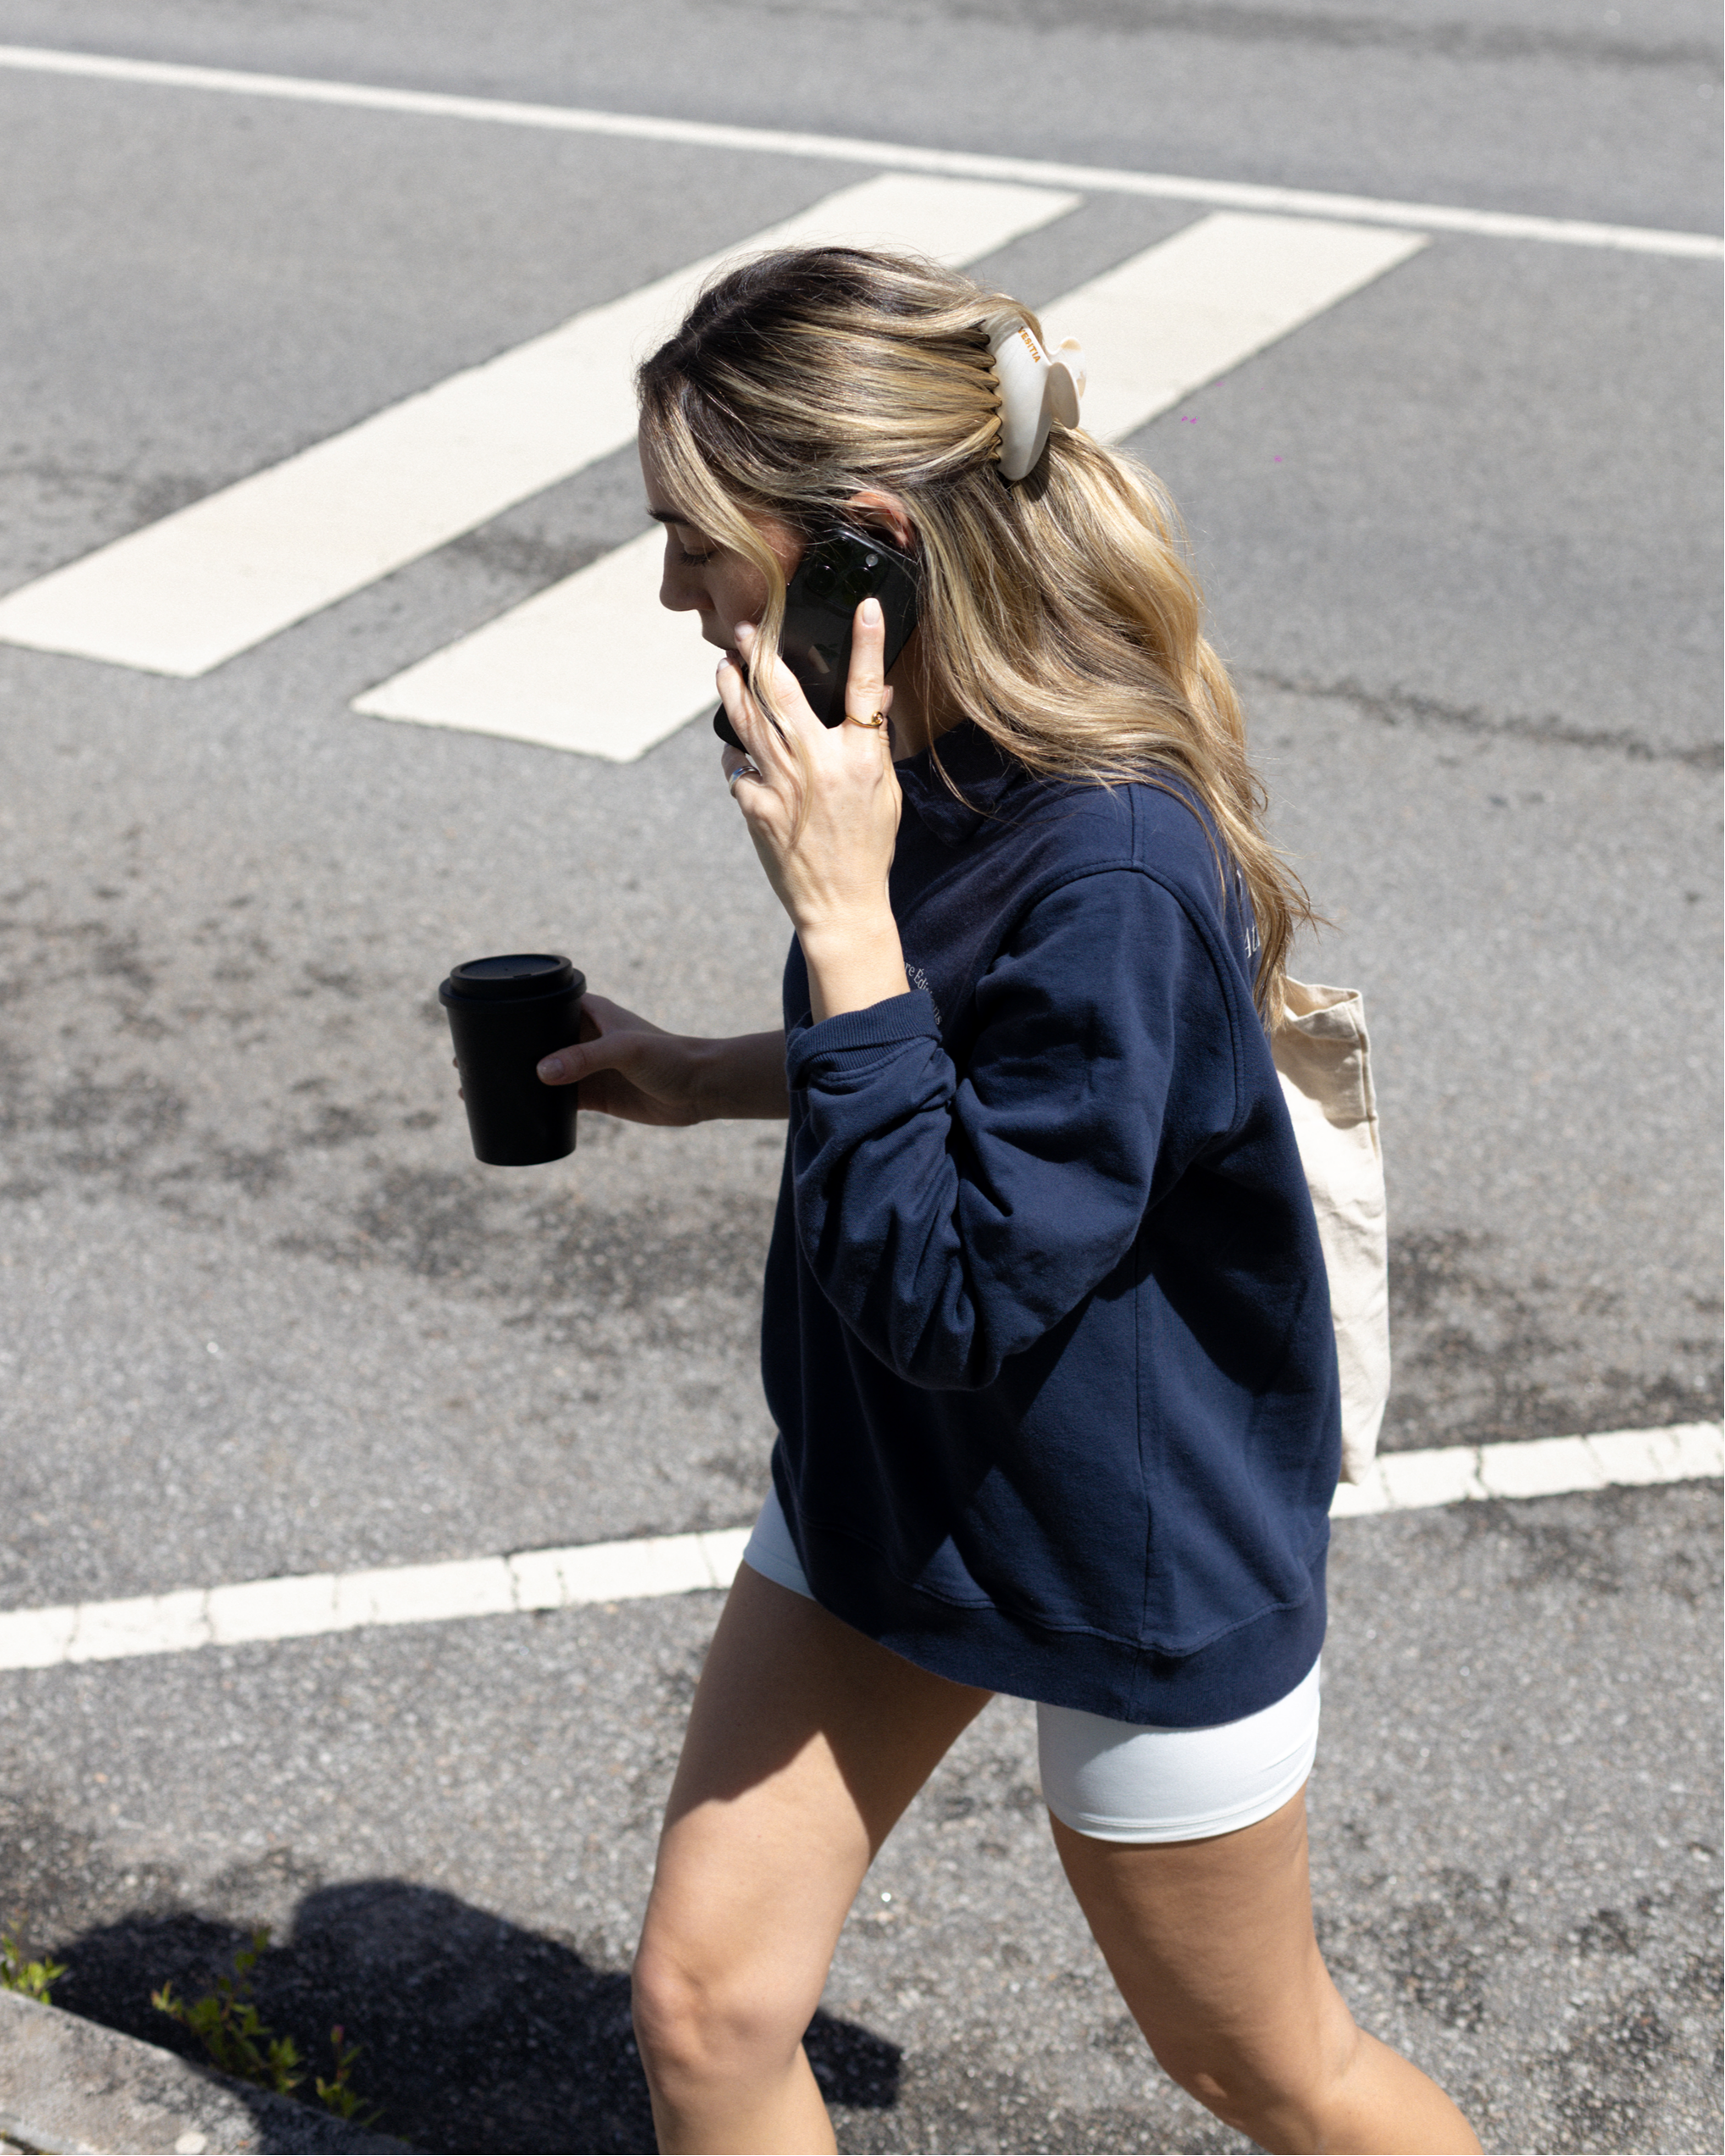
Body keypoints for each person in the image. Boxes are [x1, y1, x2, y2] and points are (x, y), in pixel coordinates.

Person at [534, 247, 1481, 2156]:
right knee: (707, 2009)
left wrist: (838, 911)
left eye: (696, 536)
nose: (669, 588)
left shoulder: (1106, 857)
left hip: (1121, 1551)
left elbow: (962, 1282)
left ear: (867, 543)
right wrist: (722, 1069)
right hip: (890, 1474)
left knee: (1259, 2065)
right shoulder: (900, 753)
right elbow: (962, 1084)